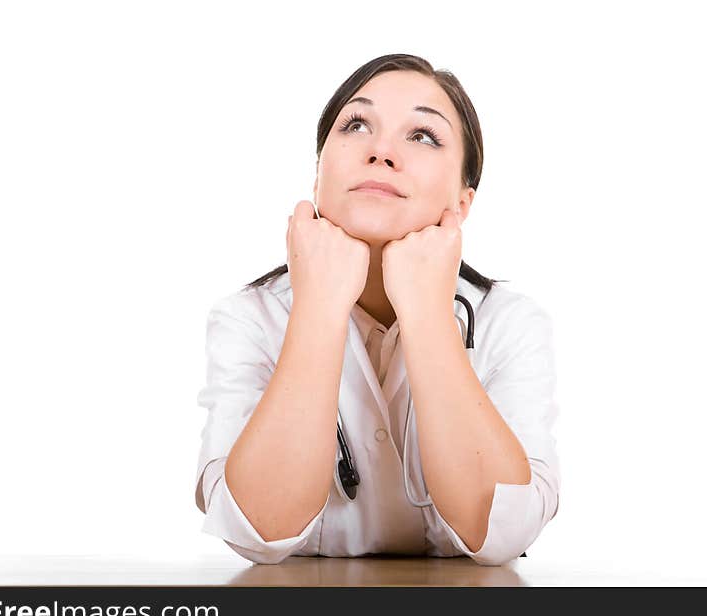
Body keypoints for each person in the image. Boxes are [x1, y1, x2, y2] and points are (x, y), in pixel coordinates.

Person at [194, 53, 560, 566]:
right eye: (357, 125)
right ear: (317, 174)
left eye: (422, 136)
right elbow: (255, 529)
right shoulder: (249, 318)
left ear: (462, 203)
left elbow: (504, 533)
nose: (381, 152)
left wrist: (429, 317)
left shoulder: (511, 324)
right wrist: (318, 308)